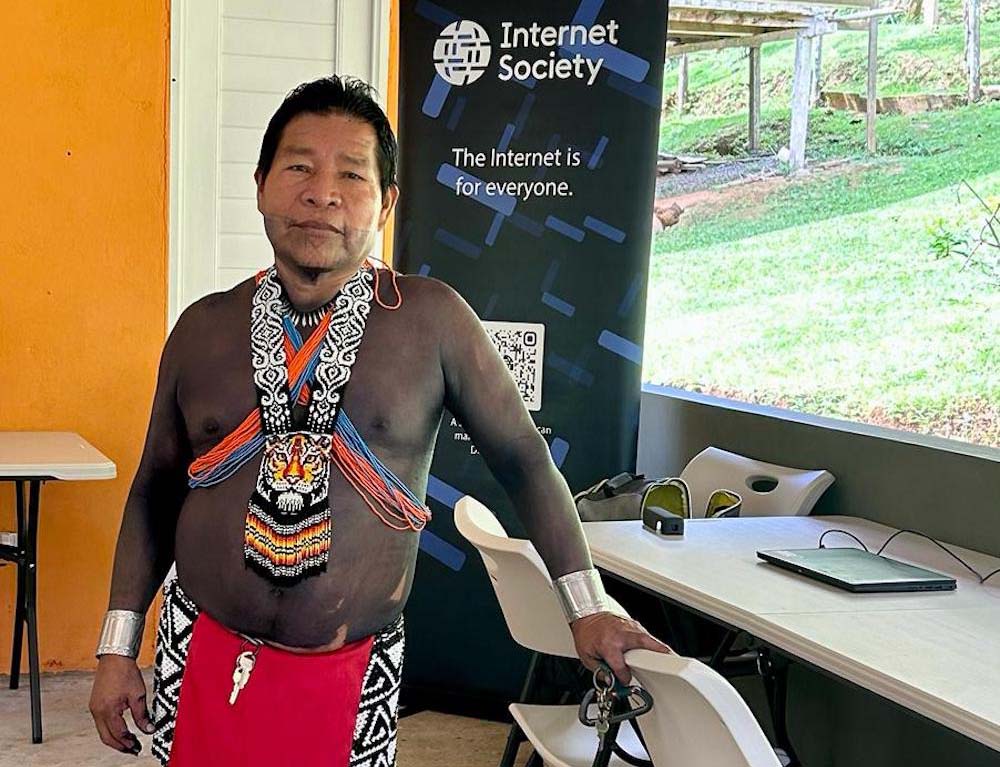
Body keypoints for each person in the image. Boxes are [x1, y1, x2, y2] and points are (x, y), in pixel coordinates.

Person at [88, 75, 670, 766]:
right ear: (261, 183)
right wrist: (117, 646)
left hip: (353, 674)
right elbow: (154, 490)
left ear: (387, 201)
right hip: (199, 652)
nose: (322, 192)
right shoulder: (200, 330)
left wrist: (589, 604)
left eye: (352, 174)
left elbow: (523, 457)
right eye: (299, 165)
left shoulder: (432, 321)